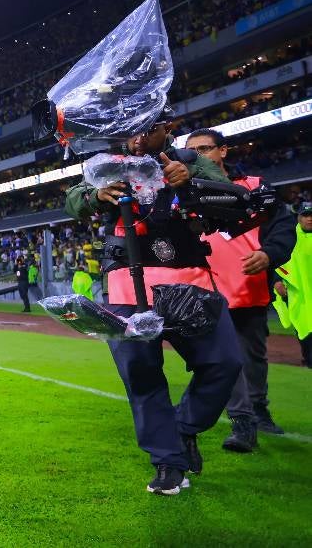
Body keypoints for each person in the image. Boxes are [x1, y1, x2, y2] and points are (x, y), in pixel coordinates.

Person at [64, 114, 242, 496]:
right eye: (129, 131)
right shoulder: (107, 164)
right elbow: (73, 200)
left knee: (225, 362)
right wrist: (95, 196)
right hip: (126, 284)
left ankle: (184, 428)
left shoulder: (191, 160)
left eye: (148, 129)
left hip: (189, 277)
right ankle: (167, 462)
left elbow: (231, 197)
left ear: (168, 127)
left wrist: (192, 182)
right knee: (142, 376)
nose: (137, 139)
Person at [186, 129, 296, 447]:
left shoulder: (253, 187)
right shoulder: (183, 195)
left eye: (204, 149)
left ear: (223, 151)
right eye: (190, 151)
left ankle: (259, 409)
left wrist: (268, 254)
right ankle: (243, 422)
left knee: (254, 357)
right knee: (227, 359)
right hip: (204, 292)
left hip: (249, 287)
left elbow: (282, 225)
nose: (196, 156)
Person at [272, 201, 312, 368]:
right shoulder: (290, 236)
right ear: (298, 217)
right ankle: (308, 357)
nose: (309, 219)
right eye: (305, 215)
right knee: (301, 323)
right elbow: (276, 256)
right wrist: (276, 280)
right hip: (296, 290)